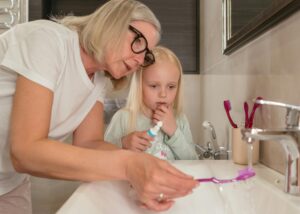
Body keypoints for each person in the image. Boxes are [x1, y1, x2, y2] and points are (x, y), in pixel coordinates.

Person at [0, 0, 198, 213]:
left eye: (146, 55)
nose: (140, 60)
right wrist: (129, 165)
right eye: (138, 42)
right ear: (113, 22)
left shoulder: (98, 81)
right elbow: (25, 152)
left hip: (10, 182)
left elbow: (89, 143)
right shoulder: (48, 41)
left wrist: (142, 165)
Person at [105, 46, 198, 160]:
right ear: (139, 85)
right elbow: (103, 157)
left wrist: (174, 132)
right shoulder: (123, 118)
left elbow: (193, 161)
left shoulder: (180, 119)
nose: (163, 94)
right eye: (154, 86)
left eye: (171, 86)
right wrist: (123, 144)